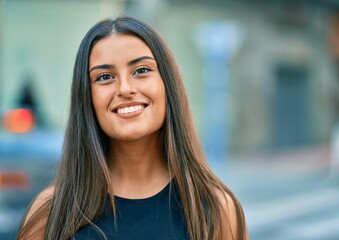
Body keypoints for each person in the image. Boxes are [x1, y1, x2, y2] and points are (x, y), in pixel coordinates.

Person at [17, 16, 248, 240]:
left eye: (141, 70)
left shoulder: (215, 208)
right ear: (87, 97)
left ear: (167, 84)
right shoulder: (50, 214)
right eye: (105, 76)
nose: (125, 89)